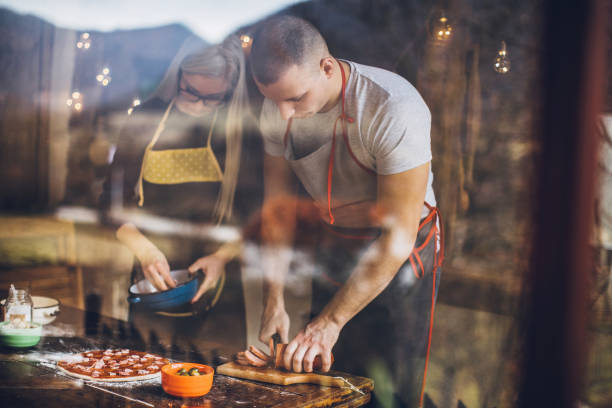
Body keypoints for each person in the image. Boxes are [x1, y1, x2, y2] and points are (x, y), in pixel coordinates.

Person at [249, 15, 443, 407]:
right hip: (334, 238)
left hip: (399, 250)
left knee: (389, 388)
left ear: (327, 67)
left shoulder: (392, 107)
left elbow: (398, 235)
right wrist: (274, 301)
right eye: (273, 100)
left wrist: (330, 322)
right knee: (323, 377)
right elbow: (278, 209)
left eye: (295, 99)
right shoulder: (277, 109)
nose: (282, 114)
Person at [100, 34, 257, 329]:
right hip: (151, 281)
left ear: (229, 92)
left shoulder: (237, 134)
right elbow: (110, 201)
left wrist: (222, 258)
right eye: (190, 93)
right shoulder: (146, 117)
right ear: (178, 76)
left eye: (212, 99)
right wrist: (143, 249)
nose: (198, 106)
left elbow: (255, 213)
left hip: (220, 292)